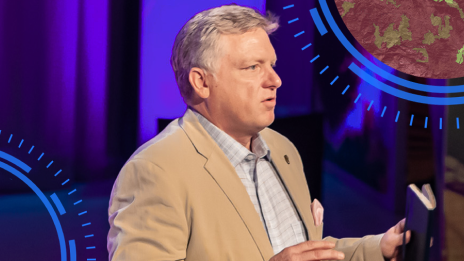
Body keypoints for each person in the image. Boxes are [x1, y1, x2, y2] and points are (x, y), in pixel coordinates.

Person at [107, 4, 410, 261]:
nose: (275, 80)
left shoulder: (283, 149)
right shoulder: (154, 172)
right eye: (252, 67)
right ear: (201, 82)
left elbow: (302, 251)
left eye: (272, 65)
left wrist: (375, 248)